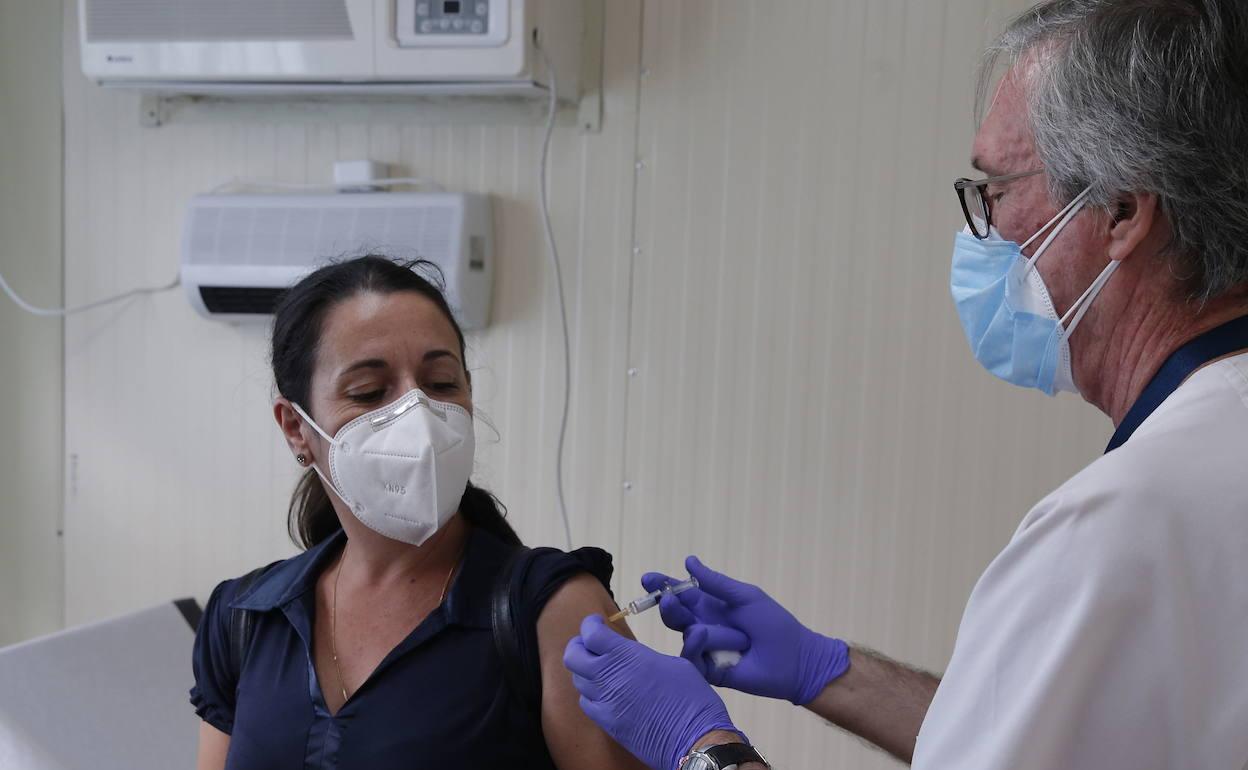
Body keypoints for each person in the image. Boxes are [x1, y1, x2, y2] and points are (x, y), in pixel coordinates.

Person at [563, 1, 1248, 768]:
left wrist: (699, 746)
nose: (979, 234)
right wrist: (829, 672)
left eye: (995, 191)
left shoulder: (1117, 526)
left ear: (1120, 211)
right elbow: (1042, 735)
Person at [190, 256, 646, 770]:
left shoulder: (552, 612)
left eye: (442, 383)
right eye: (369, 392)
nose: (418, 416)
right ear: (296, 428)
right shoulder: (246, 620)